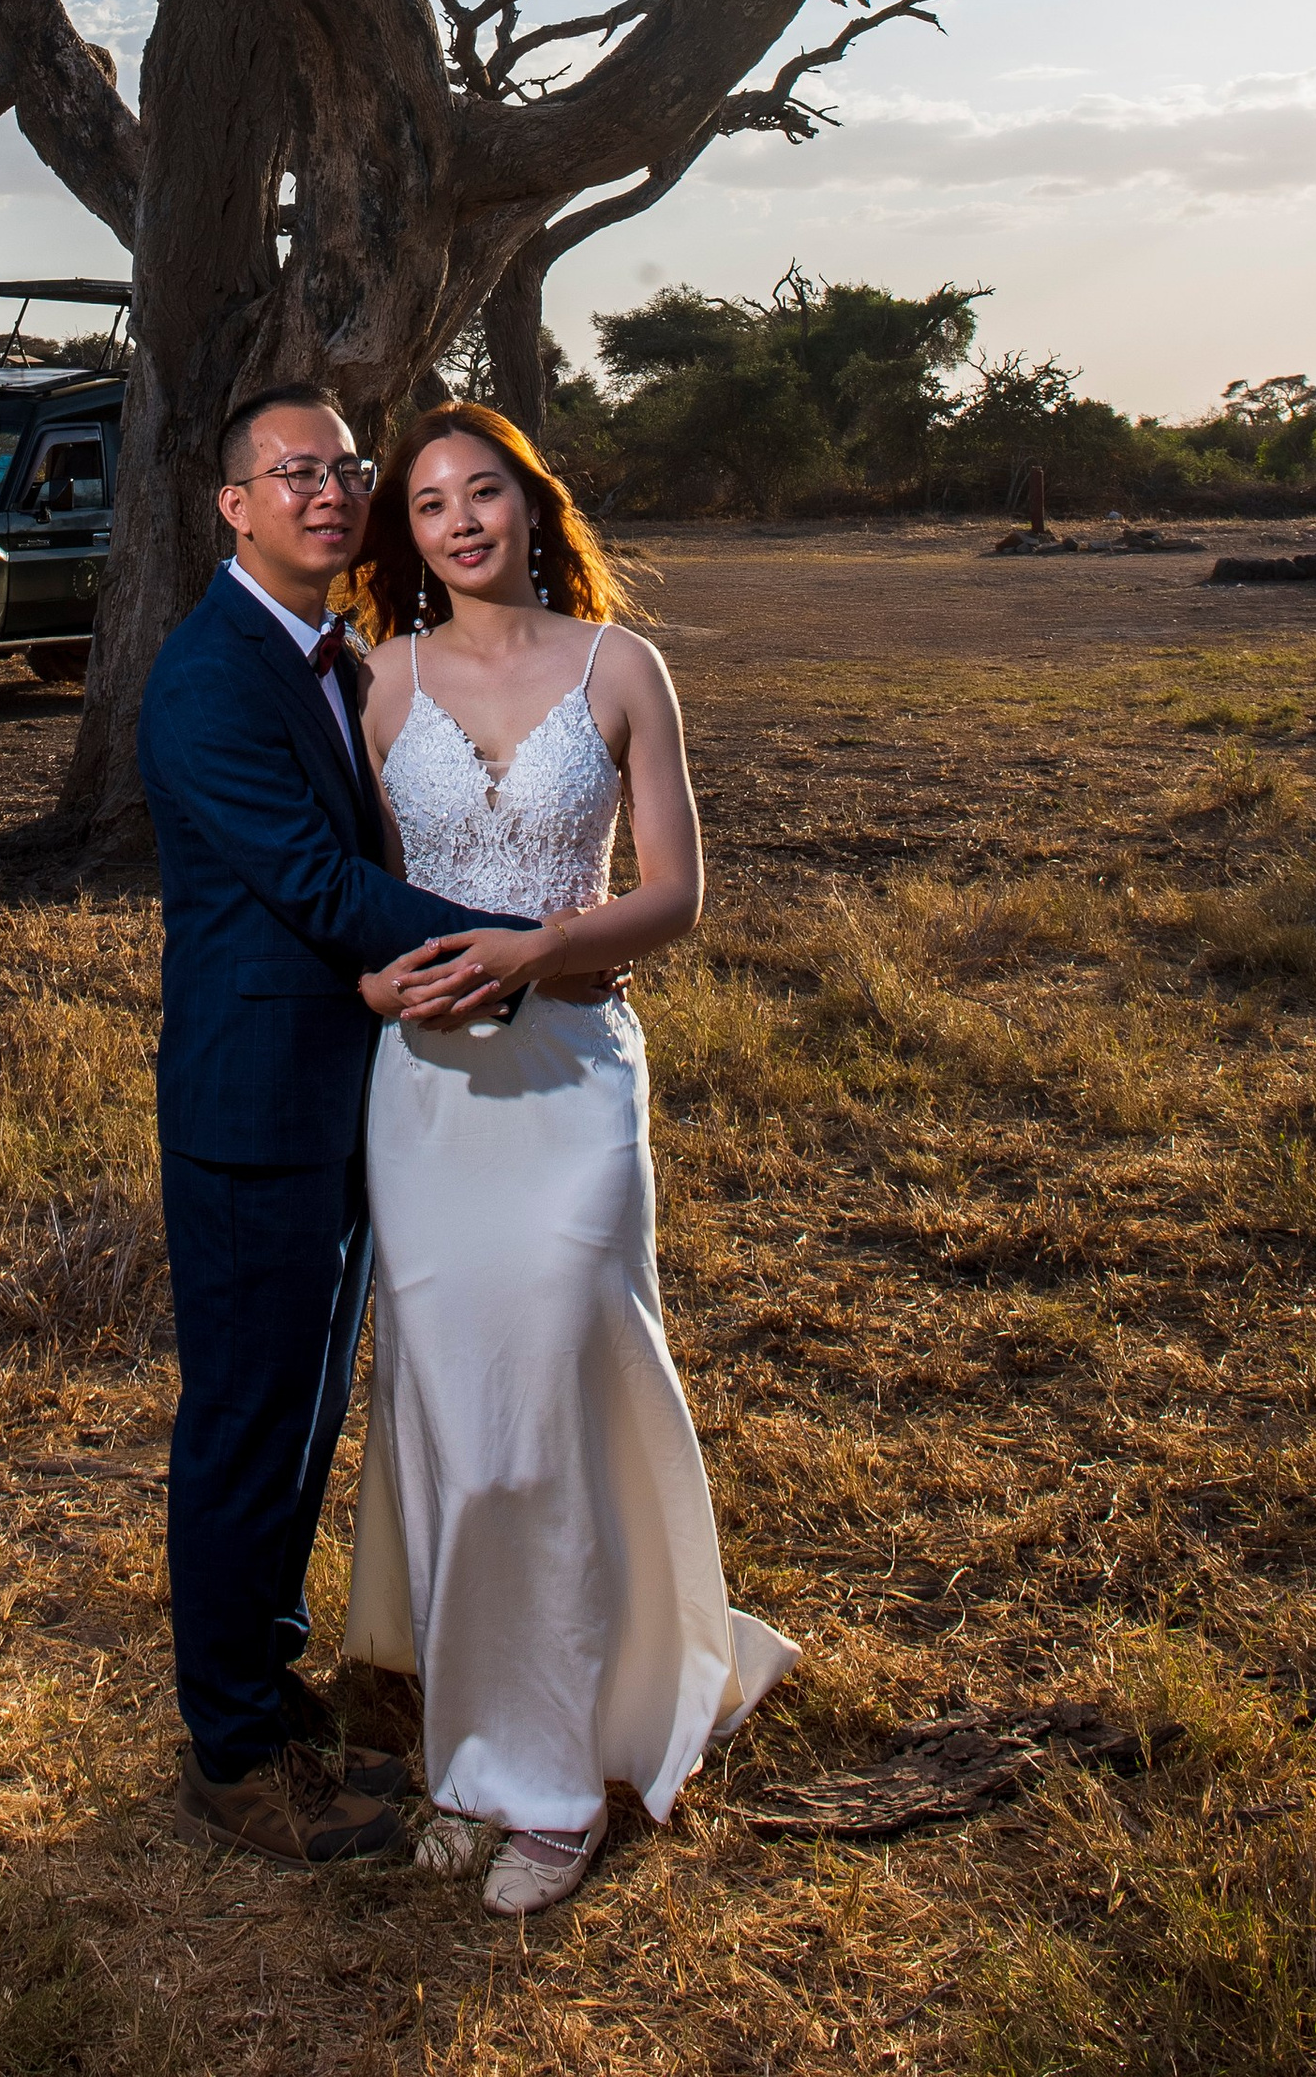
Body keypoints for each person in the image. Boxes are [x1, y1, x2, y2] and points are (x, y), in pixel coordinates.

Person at [342, 402, 797, 1917]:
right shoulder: (377, 679)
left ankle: (561, 1783)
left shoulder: (620, 668)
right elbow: (344, 907)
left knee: (544, 1407)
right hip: (421, 1101)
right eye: (427, 504)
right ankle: (473, 1759)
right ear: (405, 536)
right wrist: (375, 985)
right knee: (458, 1424)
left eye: (485, 493)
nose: (461, 521)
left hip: (576, 1084)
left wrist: (543, 950)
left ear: (532, 511)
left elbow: (676, 894)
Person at [138, 384, 576, 1868]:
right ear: (233, 506)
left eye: (344, 468)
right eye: (291, 473)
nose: (327, 491)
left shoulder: (331, 652)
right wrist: (525, 939)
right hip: (252, 1107)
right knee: (248, 1430)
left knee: (308, 1420)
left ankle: (272, 1684)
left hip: (345, 1097)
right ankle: (231, 1750)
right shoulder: (209, 677)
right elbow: (319, 887)